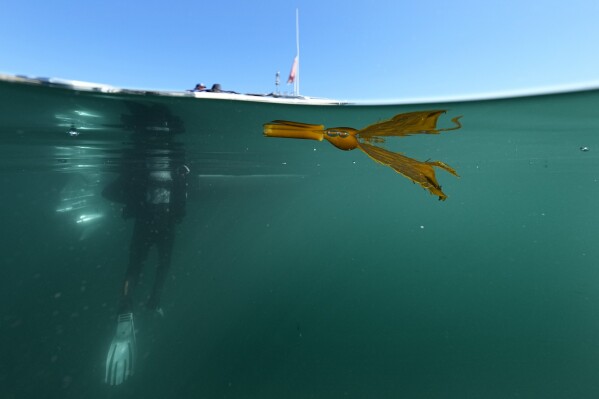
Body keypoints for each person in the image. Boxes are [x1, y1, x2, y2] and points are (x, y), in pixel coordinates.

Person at [103, 103, 188, 385]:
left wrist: (134, 198)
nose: (157, 135)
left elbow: (111, 190)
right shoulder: (176, 159)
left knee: (135, 268)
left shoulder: (142, 160)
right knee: (160, 265)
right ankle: (152, 301)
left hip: (148, 223)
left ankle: (127, 308)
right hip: (163, 223)